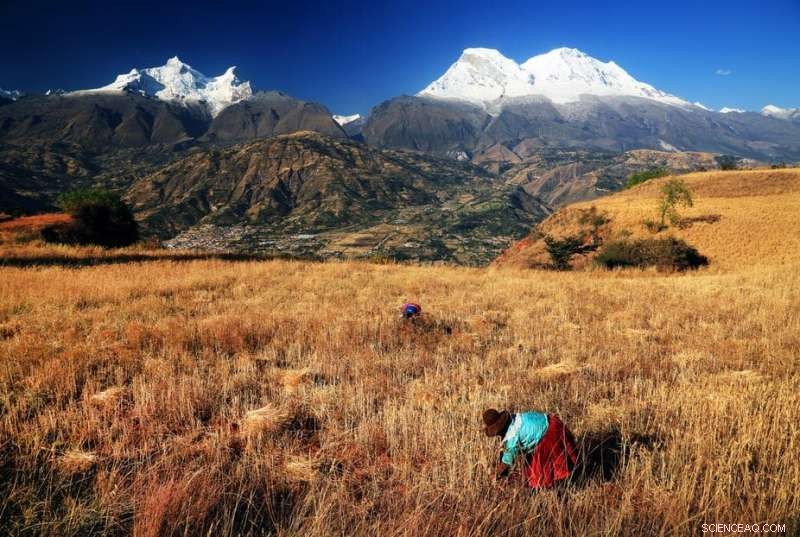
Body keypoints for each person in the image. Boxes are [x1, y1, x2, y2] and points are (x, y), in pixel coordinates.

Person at [483, 408, 578, 489]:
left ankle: (563, 486)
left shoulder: (512, 438)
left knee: (544, 472)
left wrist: (495, 475)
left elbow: (507, 463)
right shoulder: (515, 418)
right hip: (552, 421)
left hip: (549, 435)